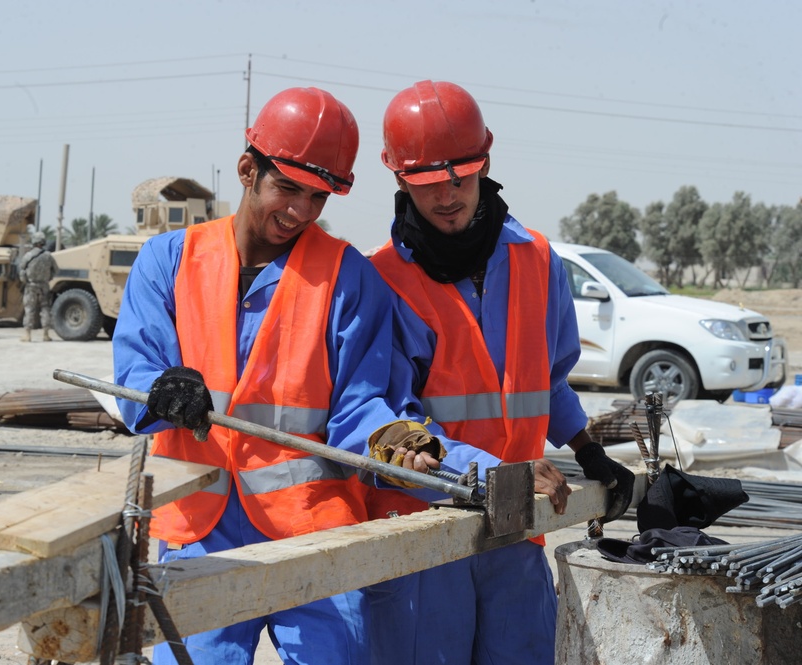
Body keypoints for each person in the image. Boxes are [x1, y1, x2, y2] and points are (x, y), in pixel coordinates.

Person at [113, 87, 500, 665]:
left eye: (317, 197)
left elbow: (362, 408)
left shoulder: (348, 277)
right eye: (286, 188)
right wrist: (161, 390)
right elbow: (136, 375)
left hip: (315, 531)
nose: (300, 211)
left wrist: (418, 447)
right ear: (248, 169)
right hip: (198, 530)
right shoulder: (169, 261)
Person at [367, 81, 636, 664]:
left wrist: (588, 451)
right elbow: (390, 420)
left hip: (516, 531)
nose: (447, 196)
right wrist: (491, 472)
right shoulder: (382, 282)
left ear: (484, 162)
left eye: (459, 178)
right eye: (428, 184)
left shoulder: (536, 258)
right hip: (426, 532)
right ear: (399, 180)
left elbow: (549, 378)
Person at [19, 233, 57, 342]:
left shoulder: (28, 256)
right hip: (44, 286)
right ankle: (46, 334)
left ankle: (27, 334)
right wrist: (48, 278)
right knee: (45, 309)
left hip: (31, 285)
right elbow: (55, 270)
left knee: (29, 309)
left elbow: (22, 272)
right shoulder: (48, 256)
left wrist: (25, 281)